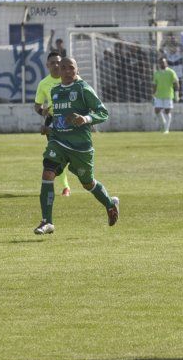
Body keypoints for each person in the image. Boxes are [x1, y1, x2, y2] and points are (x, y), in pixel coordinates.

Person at [34, 57, 119, 235]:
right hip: (58, 142)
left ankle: (110, 204)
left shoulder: (83, 89)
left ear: (77, 70)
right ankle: (47, 222)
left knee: (88, 183)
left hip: (80, 147)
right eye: (63, 67)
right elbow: (56, 116)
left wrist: (85, 119)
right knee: (47, 173)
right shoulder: (55, 91)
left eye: (70, 68)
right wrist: (48, 128)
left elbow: (103, 113)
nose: (65, 71)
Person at [34, 51, 71, 196]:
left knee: (71, 155)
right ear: (47, 65)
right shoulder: (43, 84)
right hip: (53, 122)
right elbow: (37, 105)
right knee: (56, 155)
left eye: (58, 62)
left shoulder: (71, 79)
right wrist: (42, 111)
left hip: (71, 121)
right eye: (53, 63)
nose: (56, 65)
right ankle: (65, 187)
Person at [153, 57, 180, 134]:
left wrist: (177, 94)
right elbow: (154, 84)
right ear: (159, 64)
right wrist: (153, 94)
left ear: (166, 63)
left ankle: (166, 129)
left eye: (164, 62)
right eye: (161, 62)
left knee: (167, 111)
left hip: (168, 95)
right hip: (159, 95)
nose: (162, 64)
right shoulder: (156, 73)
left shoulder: (171, 72)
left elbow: (176, 83)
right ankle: (164, 124)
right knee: (157, 110)